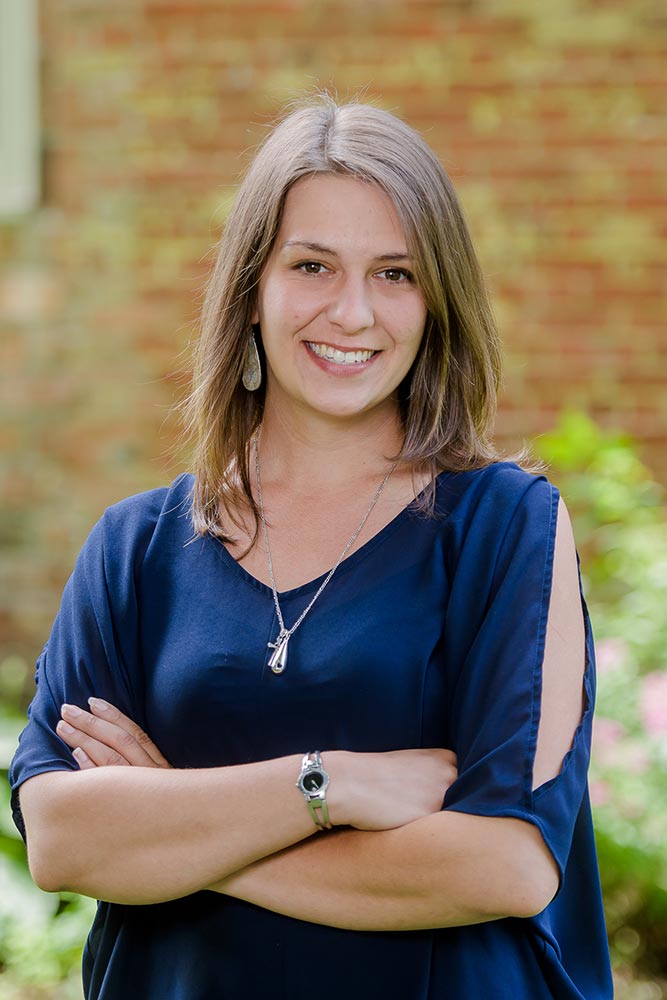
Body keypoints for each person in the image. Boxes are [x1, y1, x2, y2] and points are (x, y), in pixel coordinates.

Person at [10, 95, 613, 999]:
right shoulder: (135, 548)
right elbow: (59, 837)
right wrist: (321, 788)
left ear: (435, 301)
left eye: (396, 274)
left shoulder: (506, 527)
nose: (353, 312)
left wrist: (178, 828)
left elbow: (506, 863)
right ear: (253, 286)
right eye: (312, 265)